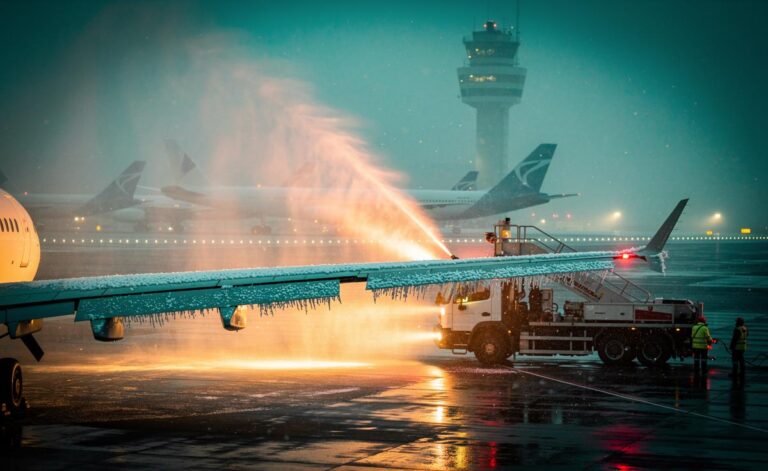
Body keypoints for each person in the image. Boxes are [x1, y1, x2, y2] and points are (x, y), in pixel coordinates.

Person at [730, 317, 748, 386]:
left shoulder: (737, 329)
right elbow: (747, 335)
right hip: (743, 347)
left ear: (738, 322)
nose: (736, 323)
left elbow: (734, 339)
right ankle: (742, 372)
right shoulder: (745, 328)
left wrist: (731, 346)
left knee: (735, 360)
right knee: (741, 360)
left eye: (736, 321)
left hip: (737, 347)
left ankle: (734, 373)